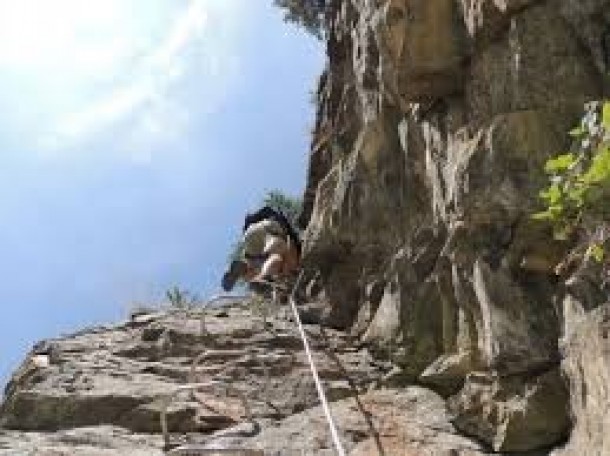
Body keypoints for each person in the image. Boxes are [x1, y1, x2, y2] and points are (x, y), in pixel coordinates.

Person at [222, 206, 301, 292]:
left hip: (253, 237)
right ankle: (260, 275)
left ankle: (257, 275)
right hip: (264, 230)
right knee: (276, 255)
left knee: (275, 257)